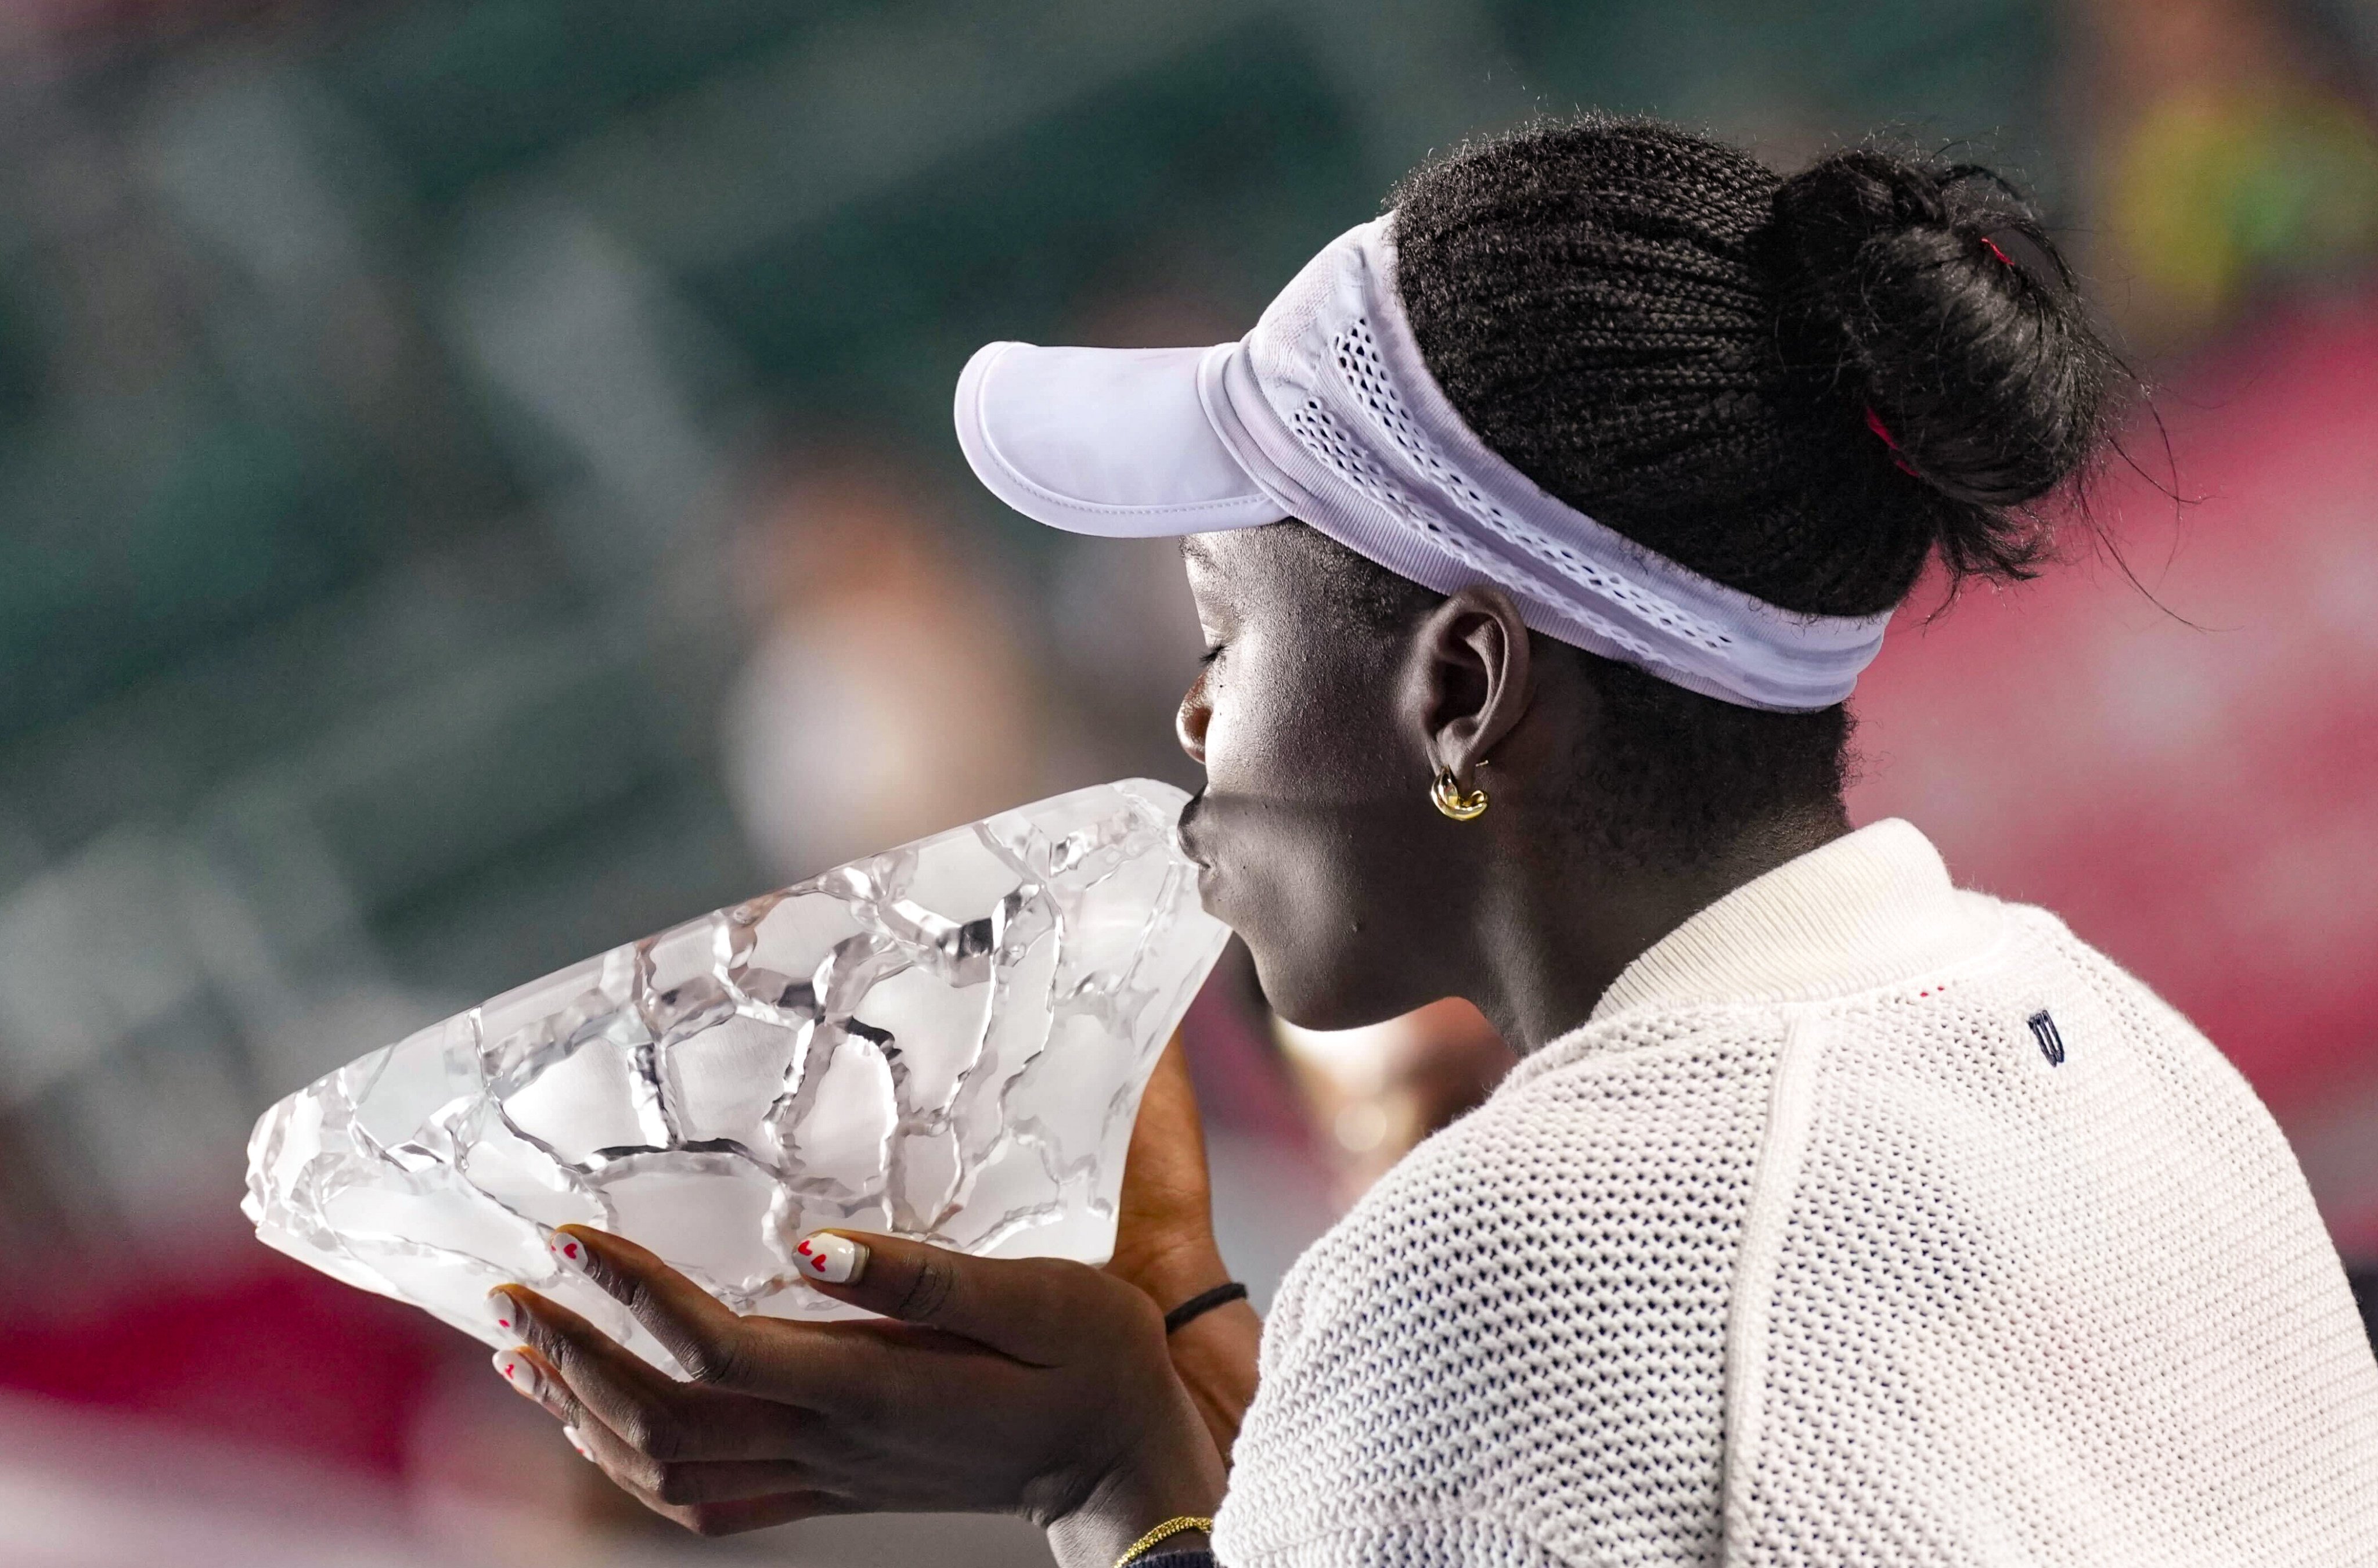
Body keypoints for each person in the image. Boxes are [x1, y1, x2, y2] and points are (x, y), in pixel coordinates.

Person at [478, 118, 2378, 1566]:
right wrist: (1199, 1377)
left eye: (1225, 628)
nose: (1192, 717)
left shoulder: (1504, 1268)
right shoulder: (2102, 1027)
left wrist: (1106, 1466)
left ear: (1462, 687)